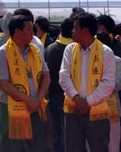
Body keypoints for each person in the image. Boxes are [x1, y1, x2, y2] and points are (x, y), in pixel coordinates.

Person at [58, 12, 116, 152]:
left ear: (85, 30)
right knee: (73, 148)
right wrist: (77, 99)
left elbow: (108, 83)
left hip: (96, 110)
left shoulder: (106, 52)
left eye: (75, 28)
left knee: (99, 148)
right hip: (74, 109)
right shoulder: (70, 49)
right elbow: (64, 76)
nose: (72, 31)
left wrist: (87, 102)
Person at [0, 15, 49, 152]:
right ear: (17, 31)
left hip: (35, 108)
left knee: (39, 147)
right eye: (29, 29)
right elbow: (3, 83)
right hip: (12, 111)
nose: (33, 33)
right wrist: (28, 100)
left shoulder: (35, 50)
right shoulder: (2, 52)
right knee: (12, 147)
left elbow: (46, 76)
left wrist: (39, 98)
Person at [44, 18, 73, 152]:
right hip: (71, 97)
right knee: (70, 134)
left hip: (52, 95)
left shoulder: (50, 48)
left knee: (56, 132)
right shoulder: (75, 50)